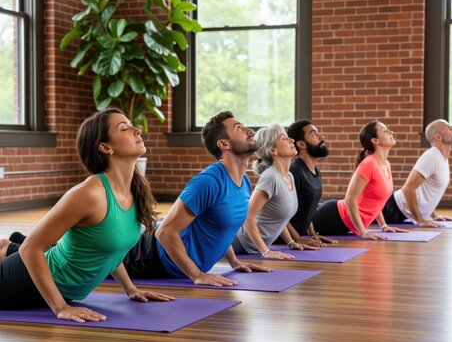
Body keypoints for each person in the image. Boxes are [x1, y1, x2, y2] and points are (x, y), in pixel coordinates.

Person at [0, 108, 172, 322]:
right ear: (105, 147)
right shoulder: (90, 193)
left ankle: (5, 247)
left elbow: (110, 249)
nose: (137, 130)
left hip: (60, 286)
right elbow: (30, 248)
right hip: (24, 282)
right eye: (125, 128)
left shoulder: (134, 190)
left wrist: (130, 289)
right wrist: (60, 307)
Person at [122, 111, 272, 286]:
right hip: (146, 257)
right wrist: (197, 275)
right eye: (239, 128)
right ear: (224, 144)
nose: (250, 130)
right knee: (88, 264)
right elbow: (164, 232)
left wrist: (235, 262)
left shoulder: (244, 181)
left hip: (167, 261)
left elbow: (223, 227)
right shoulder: (208, 182)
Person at [232, 125, 319, 260]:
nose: (291, 140)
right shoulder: (270, 177)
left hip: (255, 248)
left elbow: (280, 217)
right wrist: (265, 251)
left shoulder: (289, 176)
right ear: (273, 150)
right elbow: (247, 216)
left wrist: (290, 242)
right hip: (238, 243)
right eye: (284, 138)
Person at [312, 121, 408, 240]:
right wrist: (363, 232)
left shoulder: (386, 164)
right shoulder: (369, 164)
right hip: (333, 218)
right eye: (384, 130)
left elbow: (376, 200)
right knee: (295, 222)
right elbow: (350, 199)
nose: (391, 132)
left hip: (343, 222)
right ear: (375, 140)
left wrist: (383, 225)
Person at [382, 119, 452, 227]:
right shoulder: (431, 157)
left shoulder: (442, 158)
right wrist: (420, 220)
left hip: (399, 212)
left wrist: (434, 215)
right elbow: (408, 189)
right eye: (449, 127)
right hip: (391, 209)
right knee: (353, 223)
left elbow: (431, 189)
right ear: (438, 137)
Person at [283, 119, 336, 246]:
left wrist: (312, 234)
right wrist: (296, 239)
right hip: (281, 240)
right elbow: (279, 212)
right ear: (301, 144)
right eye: (313, 133)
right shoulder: (294, 171)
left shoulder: (314, 169)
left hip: (296, 238)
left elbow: (308, 207)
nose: (321, 136)